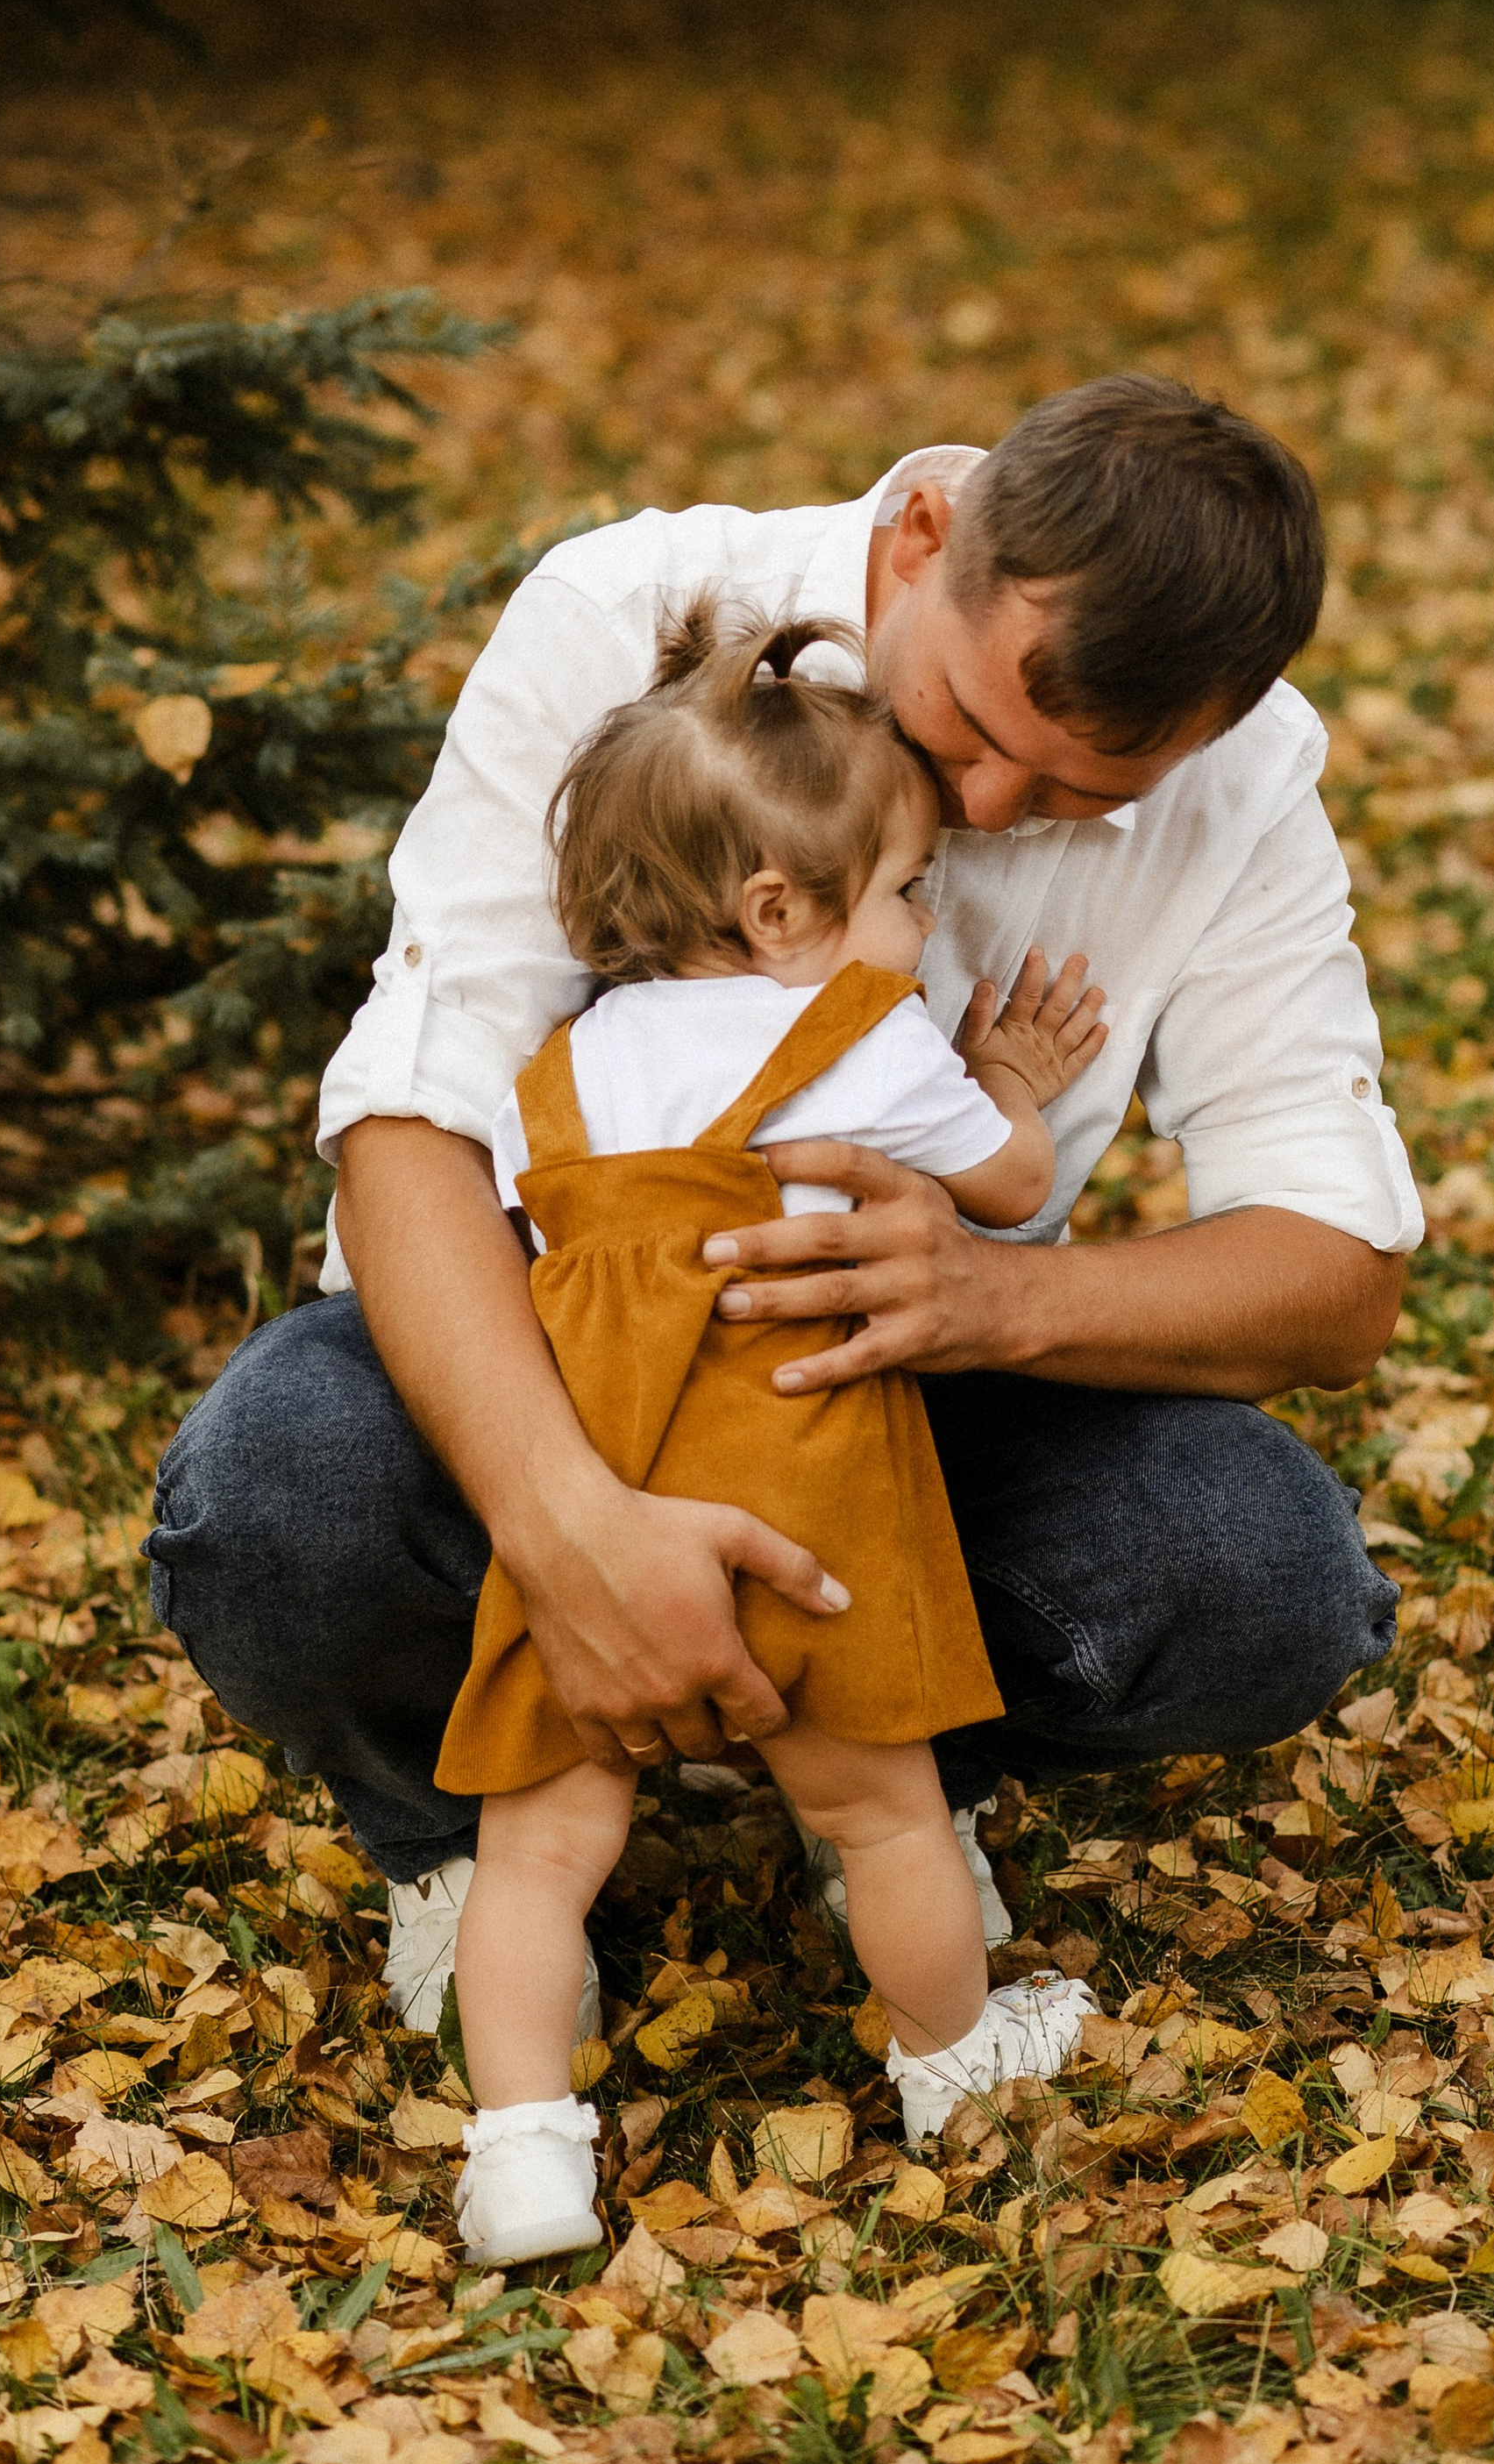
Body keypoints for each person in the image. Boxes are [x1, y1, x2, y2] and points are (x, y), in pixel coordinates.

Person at [146, 375, 1422, 2041]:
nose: (976, 816)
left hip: (906, 1411)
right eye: (967, 728)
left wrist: (993, 1298)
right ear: (922, 536)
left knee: (1267, 1574)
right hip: (553, 1367)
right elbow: (411, 1127)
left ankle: (896, 1771)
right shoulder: (621, 620)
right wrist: (565, 1531)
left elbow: (1337, 1277)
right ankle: (455, 1833)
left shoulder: (1242, 783)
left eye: (1067, 798)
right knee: (272, 1498)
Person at [446, 600, 1099, 2261]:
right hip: (805, 1499)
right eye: (901, 895)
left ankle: (522, 2149)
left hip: (603, 1516)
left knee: (532, 1851)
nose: (920, 926)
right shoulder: (866, 1040)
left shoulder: (567, 1075)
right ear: (778, 911)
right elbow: (1014, 1193)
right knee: (881, 1814)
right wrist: (1002, 1075)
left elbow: (545, 1262)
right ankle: (954, 2062)